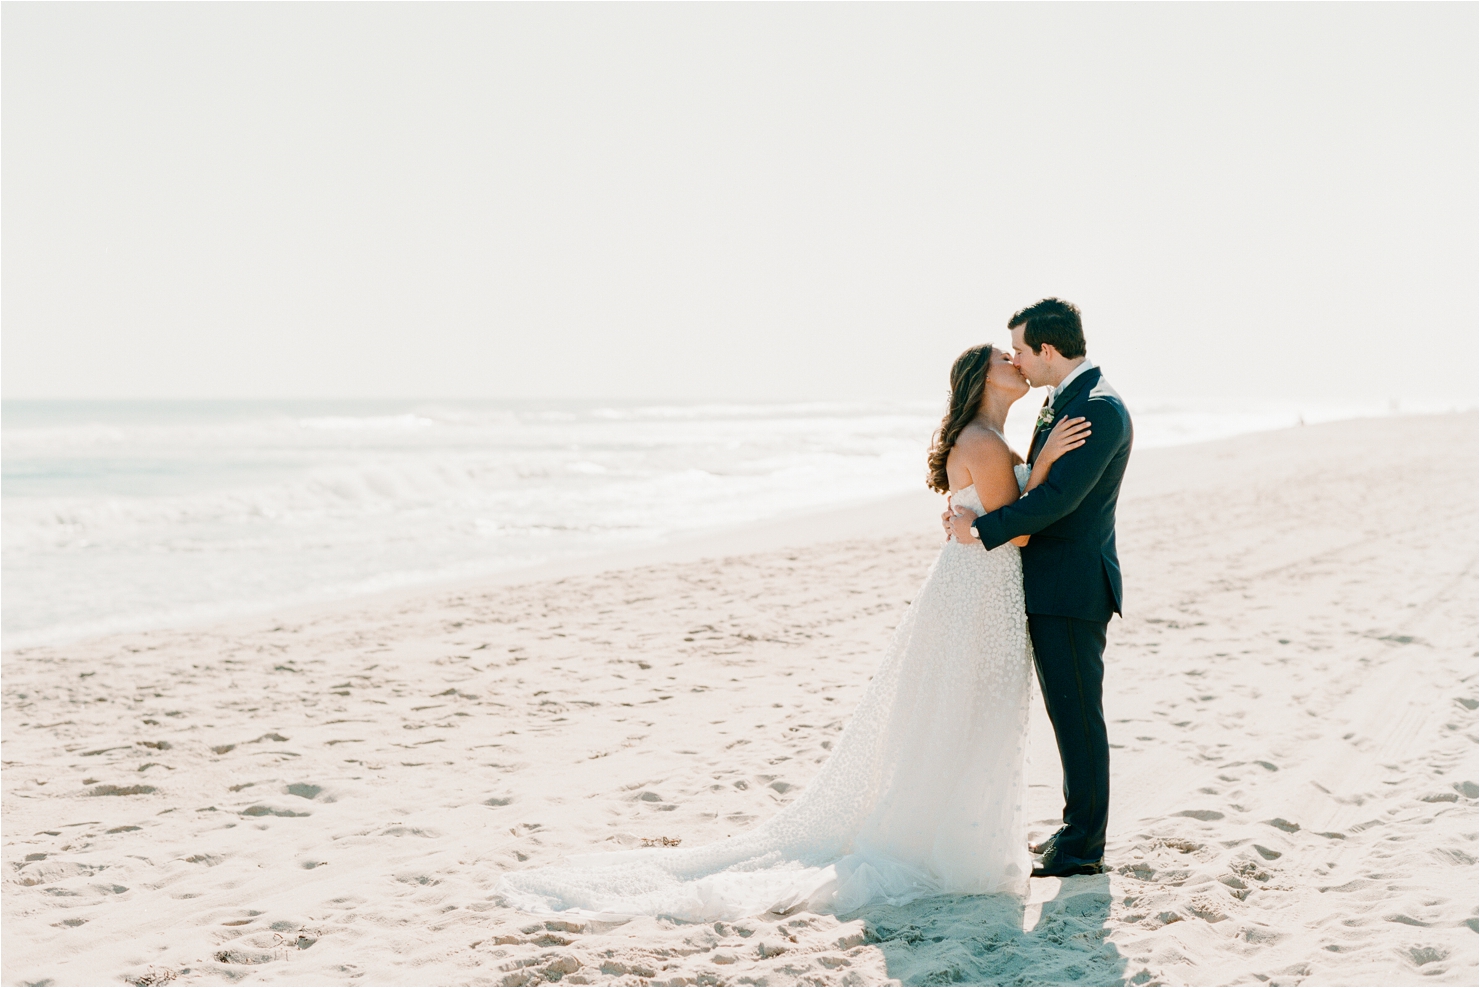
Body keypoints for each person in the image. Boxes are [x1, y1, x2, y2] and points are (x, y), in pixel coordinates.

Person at [497, 341, 1089, 921]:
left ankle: (950, 832)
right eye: (1002, 360)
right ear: (982, 382)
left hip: (972, 589)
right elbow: (1017, 532)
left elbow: (994, 514)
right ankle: (955, 846)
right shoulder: (984, 442)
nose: (1015, 363)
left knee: (957, 714)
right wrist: (1038, 469)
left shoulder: (986, 440)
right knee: (971, 713)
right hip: (981, 593)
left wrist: (995, 497)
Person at [947, 298, 1133, 878]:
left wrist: (978, 529)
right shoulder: (1066, 399)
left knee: (1078, 720)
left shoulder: (1098, 409)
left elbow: (1055, 502)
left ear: (1047, 350)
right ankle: (1076, 831)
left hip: (1072, 589)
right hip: (1051, 585)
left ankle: (1082, 850)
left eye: (1023, 351)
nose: (1019, 362)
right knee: (1067, 716)